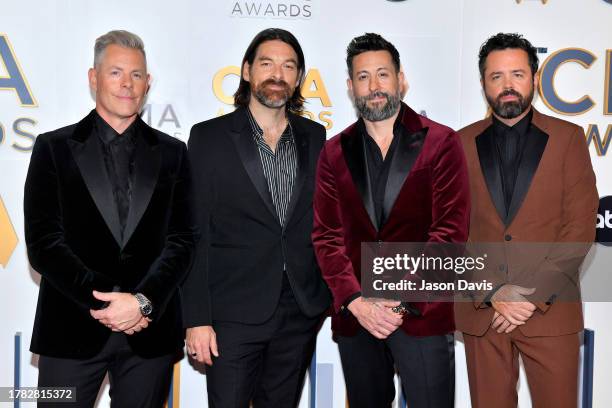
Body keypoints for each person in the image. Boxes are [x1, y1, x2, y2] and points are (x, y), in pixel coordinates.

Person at [23, 30, 195, 408]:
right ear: (93, 77)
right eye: (116, 72)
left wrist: (142, 303)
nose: (127, 84)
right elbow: (44, 244)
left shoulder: (173, 154)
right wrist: (108, 303)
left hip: (149, 333)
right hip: (70, 329)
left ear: (148, 83)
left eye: (136, 75)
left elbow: (182, 240)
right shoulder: (53, 148)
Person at [312, 33, 469, 408]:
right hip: (357, 317)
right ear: (351, 87)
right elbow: (327, 236)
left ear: (401, 79)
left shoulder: (441, 143)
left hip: (421, 313)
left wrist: (397, 301)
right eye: (363, 77)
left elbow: (449, 232)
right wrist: (357, 302)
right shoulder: (334, 152)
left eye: (383, 74)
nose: (374, 86)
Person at [182, 28, 330, 407]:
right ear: (247, 71)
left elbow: (326, 222)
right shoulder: (209, 138)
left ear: (298, 78)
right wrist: (196, 318)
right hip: (232, 313)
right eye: (267, 63)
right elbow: (193, 232)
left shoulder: (315, 136)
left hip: (298, 310)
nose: (277, 74)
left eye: (288, 66)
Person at [455, 32, 598, 408]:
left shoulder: (568, 138)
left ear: (534, 78)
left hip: (550, 312)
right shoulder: (458, 144)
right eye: (496, 76)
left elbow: (579, 226)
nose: (507, 86)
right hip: (483, 315)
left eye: (517, 74)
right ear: (483, 82)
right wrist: (493, 293)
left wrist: (526, 297)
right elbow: (450, 232)